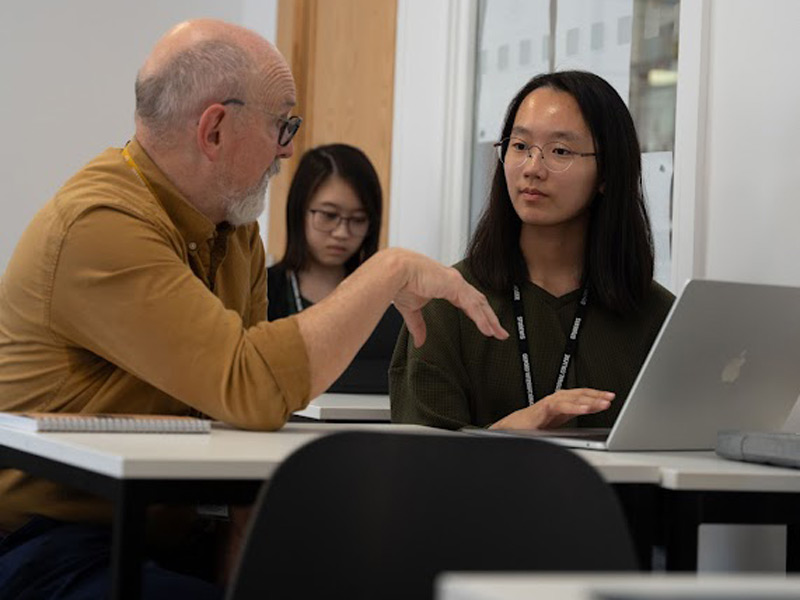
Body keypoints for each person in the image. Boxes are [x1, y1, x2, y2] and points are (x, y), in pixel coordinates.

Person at [0, 19, 507, 598]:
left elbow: (245, 410)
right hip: (47, 541)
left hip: (173, 527)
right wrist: (387, 270)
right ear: (214, 129)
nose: (289, 147)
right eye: (282, 124)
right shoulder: (99, 224)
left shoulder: (234, 230)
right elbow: (251, 384)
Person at [390, 70, 674, 432]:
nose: (532, 168)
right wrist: (519, 427)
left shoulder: (657, 318)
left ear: (607, 173)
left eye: (560, 151)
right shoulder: (447, 304)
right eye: (520, 146)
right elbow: (419, 470)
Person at [267, 144, 402, 393]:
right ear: (299, 212)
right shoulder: (261, 292)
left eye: (358, 220)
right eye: (329, 215)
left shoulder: (387, 298)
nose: (342, 233)